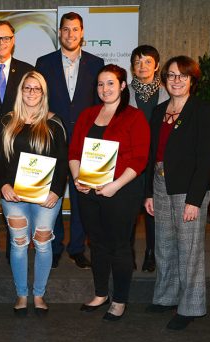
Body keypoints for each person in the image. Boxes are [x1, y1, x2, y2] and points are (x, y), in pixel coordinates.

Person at [69, 64, 150, 321]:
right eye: (101, 84)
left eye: (111, 83)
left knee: (119, 246)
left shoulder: (134, 117)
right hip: (89, 192)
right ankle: (101, 293)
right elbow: (73, 153)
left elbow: (139, 159)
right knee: (97, 243)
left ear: (123, 86)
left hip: (121, 192)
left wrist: (114, 186)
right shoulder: (87, 115)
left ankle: (120, 300)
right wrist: (77, 177)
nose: (105, 89)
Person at [144, 56, 210, 330]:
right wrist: (149, 192)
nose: (176, 80)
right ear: (164, 80)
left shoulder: (202, 110)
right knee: (163, 245)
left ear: (192, 81)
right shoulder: (158, 111)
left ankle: (191, 306)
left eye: (182, 76)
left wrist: (195, 200)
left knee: (189, 249)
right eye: (172, 75)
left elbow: (206, 158)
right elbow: (152, 155)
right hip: (160, 184)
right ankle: (165, 297)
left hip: (189, 188)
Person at [0, 71, 68, 316]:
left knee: (43, 244)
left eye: (37, 89)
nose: (31, 93)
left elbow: (62, 161)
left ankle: (38, 294)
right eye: (27, 88)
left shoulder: (54, 123)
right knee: (18, 244)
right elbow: (0, 160)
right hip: (13, 196)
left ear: (43, 93)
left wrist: (57, 191)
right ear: (20, 91)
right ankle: (21, 294)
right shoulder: (7, 122)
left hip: (45, 196)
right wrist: (3, 185)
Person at [36, 12, 104, 269]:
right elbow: (38, 101)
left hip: (85, 145)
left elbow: (100, 105)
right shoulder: (44, 63)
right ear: (60, 32)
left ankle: (77, 247)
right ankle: (53, 247)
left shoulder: (97, 64)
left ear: (82, 32)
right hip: (52, 142)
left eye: (75, 30)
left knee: (81, 198)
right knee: (51, 195)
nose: (70, 34)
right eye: (65, 29)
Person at [0, 20, 34, 272]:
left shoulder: (27, 71)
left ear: (13, 40)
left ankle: (17, 250)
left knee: (17, 203)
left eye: (6, 38)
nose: (1, 43)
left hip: (18, 148)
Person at [128, 45, 169, 272]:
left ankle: (151, 253)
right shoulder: (125, 93)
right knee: (130, 210)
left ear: (156, 66)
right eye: (137, 62)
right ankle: (129, 252)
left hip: (157, 161)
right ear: (132, 67)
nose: (142, 66)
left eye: (147, 62)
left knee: (153, 211)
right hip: (132, 161)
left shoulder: (167, 93)